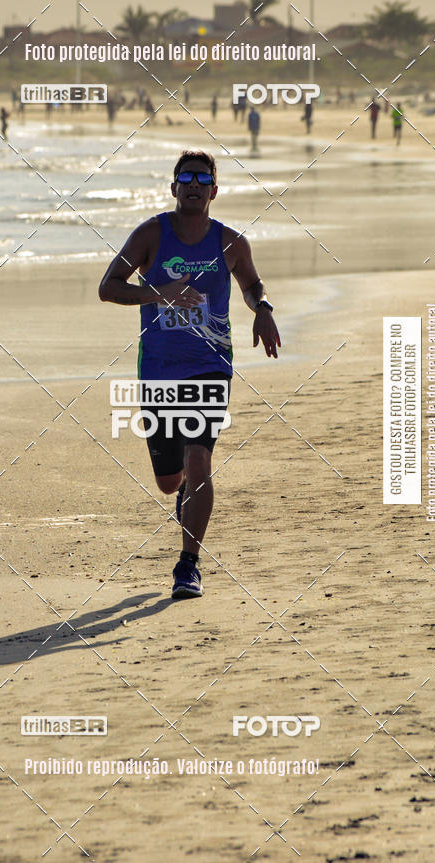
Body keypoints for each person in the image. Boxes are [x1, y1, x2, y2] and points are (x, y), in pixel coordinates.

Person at [98, 150, 280, 599]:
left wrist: (262, 308)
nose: (194, 185)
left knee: (199, 459)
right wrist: (158, 293)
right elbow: (108, 287)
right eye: (186, 178)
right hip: (158, 369)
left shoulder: (231, 243)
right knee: (168, 481)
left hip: (210, 366)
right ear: (173, 187)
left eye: (202, 179)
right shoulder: (151, 234)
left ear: (214, 191)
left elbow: (251, 284)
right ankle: (183, 491)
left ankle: (188, 565)